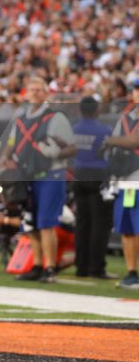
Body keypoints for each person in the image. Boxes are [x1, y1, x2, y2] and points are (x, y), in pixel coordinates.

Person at [0, 76, 75, 284]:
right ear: (26, 93)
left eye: (40, 89)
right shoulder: (21, 118)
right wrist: (4, 159)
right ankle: (37, 265)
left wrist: (54, 153)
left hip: (50, 174)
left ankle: (50, 267)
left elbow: (72, 147)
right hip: (27, 175)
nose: (36, 93)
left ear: (46, 93)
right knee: (31, 223)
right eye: (32, 89)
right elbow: (12, 143)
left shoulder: (56, 117)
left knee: (47, 223)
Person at [71, 95, 114, 279]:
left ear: (80, 110)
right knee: (100, 223)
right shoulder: (104, 130)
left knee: (82, 222)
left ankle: (81, 267)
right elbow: (110, 154)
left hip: (78, 174)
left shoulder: (73, 129)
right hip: (98, 175)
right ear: (97, 110)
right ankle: (96, 268)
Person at [104, 80, 139, 289]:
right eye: (136, 89)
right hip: (127, 182)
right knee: (127, 227)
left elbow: (134, 141)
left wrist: (110, 141)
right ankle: (131, 272)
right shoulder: (125, 118)